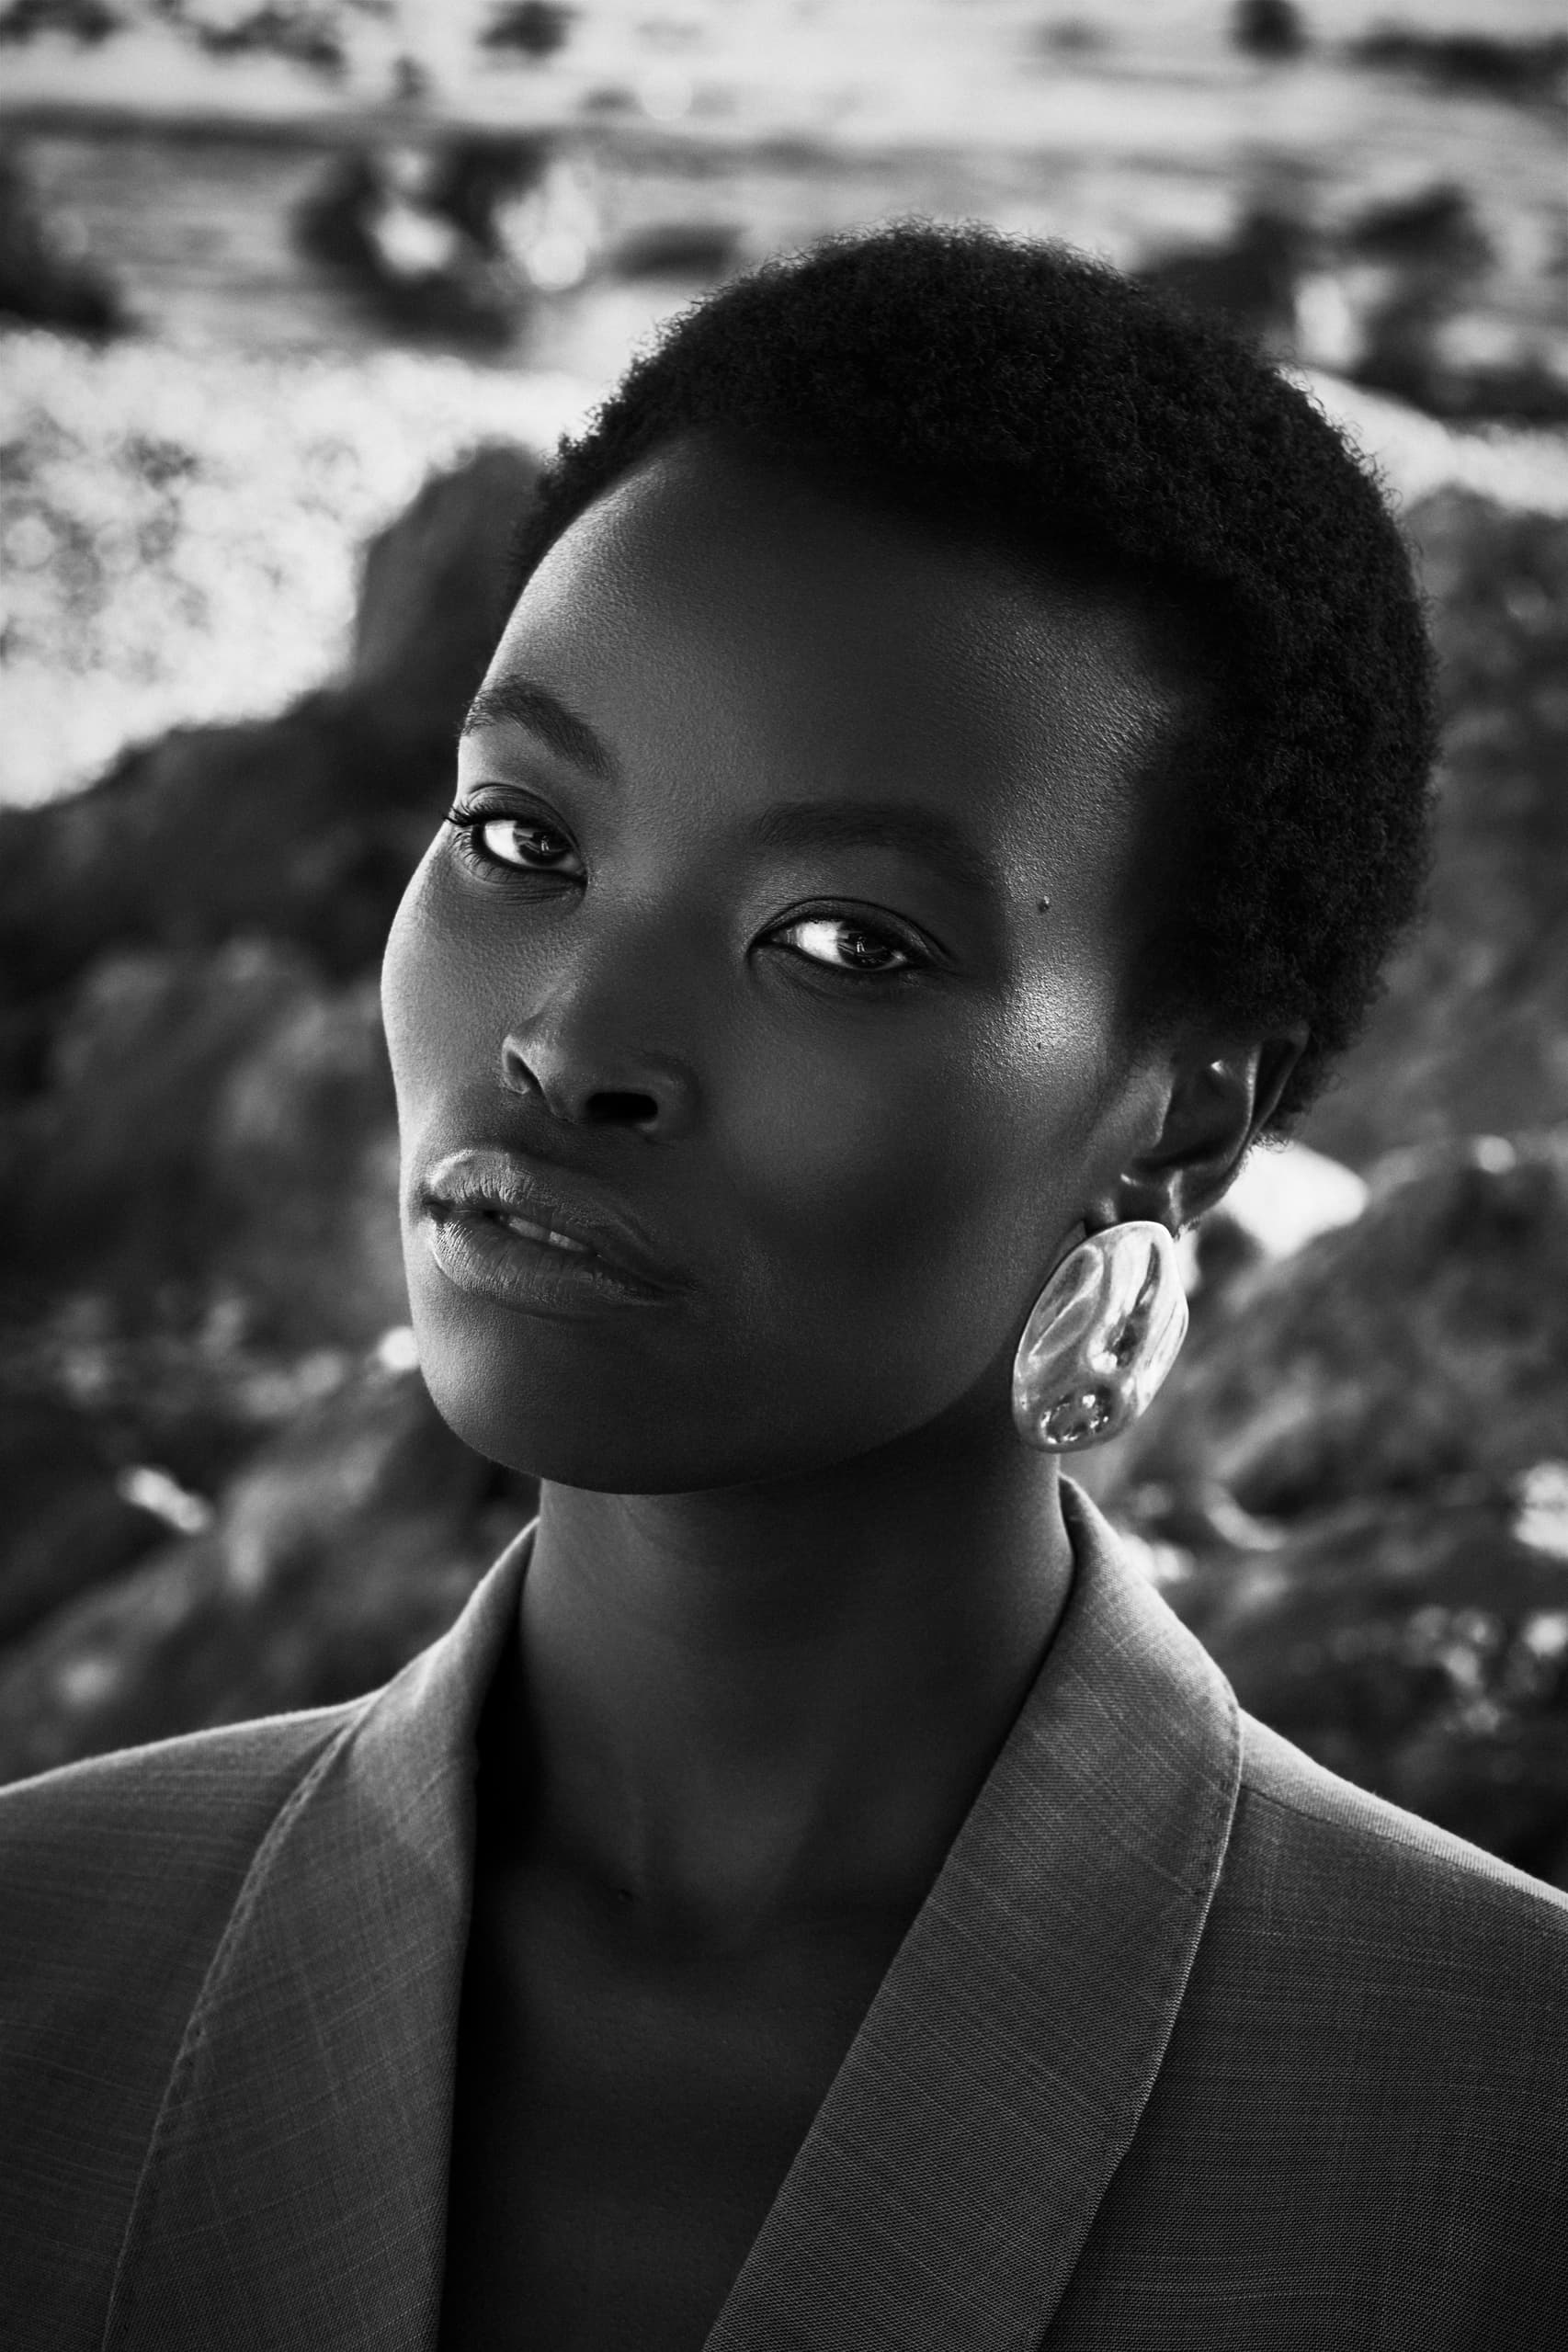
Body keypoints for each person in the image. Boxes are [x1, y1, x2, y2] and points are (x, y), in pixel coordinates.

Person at [2, 224, 1564, 2351]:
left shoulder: (1500, 2135)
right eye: (523, 838)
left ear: (1185, 1112)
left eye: (841, 941)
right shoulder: (47, 1955)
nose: (567, 1038)